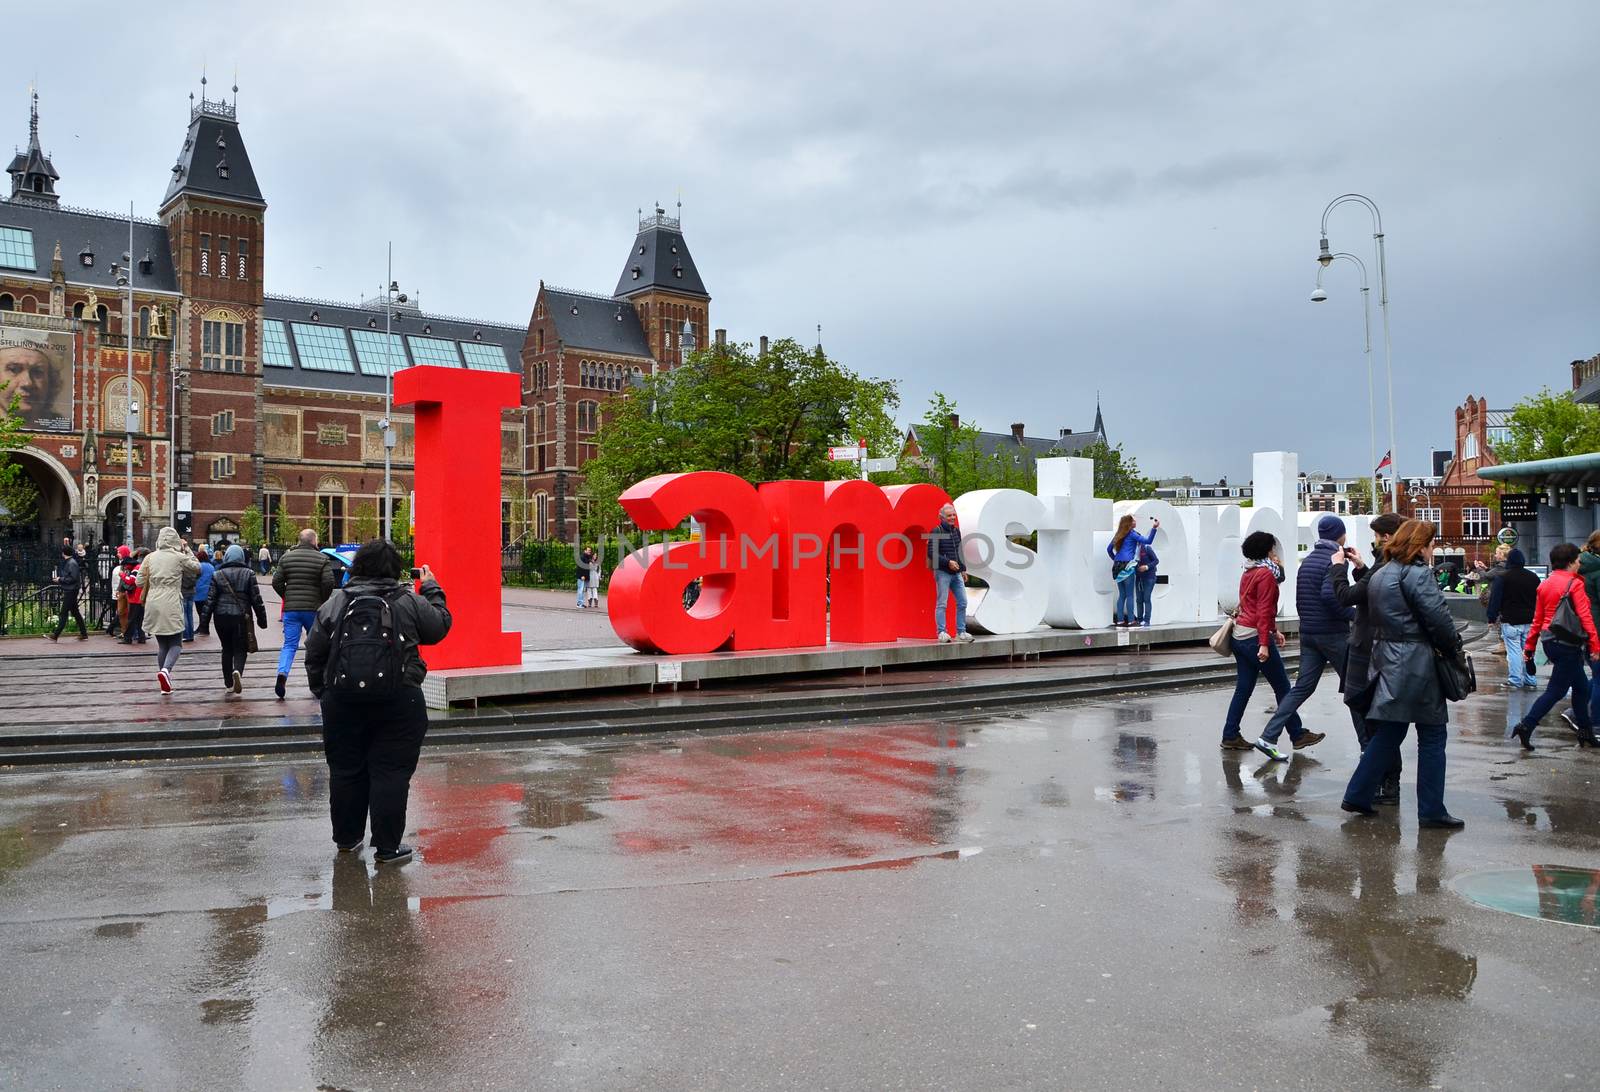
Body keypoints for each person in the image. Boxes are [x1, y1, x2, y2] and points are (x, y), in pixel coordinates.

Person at [305, 540, 452, 864]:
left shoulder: (336, 602)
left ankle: (347, 839)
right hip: (399, 698)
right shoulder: (407, 601)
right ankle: (387, 848)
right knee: (391, 772)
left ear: (357, 567)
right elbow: (440, 626)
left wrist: (324, 692)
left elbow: (314, 652)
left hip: (342, 700)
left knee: (345, 770)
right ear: (395, 568)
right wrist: (431, 587)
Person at [1341, 520, 1466, 828]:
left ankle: (1357, 793)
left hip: (1387, 658)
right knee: (1433, 734)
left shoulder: (1382, 574)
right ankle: (1432, 809)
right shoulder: (1418, 574)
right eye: (1430, 543)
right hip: (1417, 662)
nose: (1432, 549)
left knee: (1390, 732)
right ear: (1420, 545)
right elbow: (1439, 620)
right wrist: (1453, 648)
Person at [1256, 515, 1372, 759]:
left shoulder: (1307, 561)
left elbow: (1304, 597)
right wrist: (1355, 615)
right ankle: (1366, 745)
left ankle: (1268, 737)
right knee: (1355, 690)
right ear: (1340, 535)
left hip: (1309, 633)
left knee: (1301, 688)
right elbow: (1332, 597)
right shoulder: (1332, 561)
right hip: (1332, 634)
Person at [1330, 511, 1406, 804]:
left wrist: (1338, 569)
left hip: (1369, 648)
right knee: (1379, 720)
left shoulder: (1385, 564)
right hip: (1377, 647)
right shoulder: (1386, 565)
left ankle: (1384, 783)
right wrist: (1361, 567)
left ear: (1386, 537)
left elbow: (1347, 597)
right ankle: (1386, 783)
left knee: (1375, 722)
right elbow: (1369, 591)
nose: (1374, 541)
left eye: (1376, 536)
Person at [1510, 542, 1600, 749]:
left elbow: (1538, 618)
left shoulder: (1545, 584)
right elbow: (1586, 618)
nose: (1579, 564)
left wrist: (1530, 648)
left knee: (1581, 688)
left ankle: (1586, 732)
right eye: (1577, 560)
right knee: (1556, 691)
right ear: (1570, 562)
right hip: (1568, 643)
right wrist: (1595, 645)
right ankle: (1526, 725)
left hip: (1550, 641)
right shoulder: (1575, 584)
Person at [1220, 531, 1300, 754]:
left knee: (1244, 687)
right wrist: (1265, 642)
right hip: (1254, 637)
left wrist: (1274, 631)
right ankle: (1297, 734)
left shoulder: (1249, 570)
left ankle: (1230, 735)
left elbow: (1254, 606)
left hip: (1241, 635)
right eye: (1272, 548)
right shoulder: (1265, 574)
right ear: (1267, 550)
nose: (1274, 552)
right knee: (1283, 687)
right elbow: (1264, 610)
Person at [272, 528, 336, 700]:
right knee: (316, 646)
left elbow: (276, 581)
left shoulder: (286, 557)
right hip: (313, 610)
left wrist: (287, 596)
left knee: (289, 645)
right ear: (314, 541)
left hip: (291, 610)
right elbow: (329, 582)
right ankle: (317, 682)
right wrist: (322, 599)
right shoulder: (322, 558)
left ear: (299, 540)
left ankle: (282, 674)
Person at [136, 527, 201, 694]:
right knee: (176, 643)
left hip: (153, 602)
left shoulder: (149, 557)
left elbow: (139, 582)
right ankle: (166, 671)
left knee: (162, 645)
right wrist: (186, 549)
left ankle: (164, 683)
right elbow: (196, 567)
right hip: (171, 600)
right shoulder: (178, 557)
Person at [208, 543, 267, 695]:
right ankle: (237, 671)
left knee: (226, 649)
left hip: (220, 617)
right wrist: (262, 619)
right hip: (241, 617)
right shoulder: (249, 573)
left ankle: (228, 683)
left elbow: (210, 600)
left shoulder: (217, 574)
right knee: (240, 648)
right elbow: (256, 599)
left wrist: (203, 623)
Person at [1486, 548, 1539, 690]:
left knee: (1514, 651)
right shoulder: (1533, 577)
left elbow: (1495, 600)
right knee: (1528, 650)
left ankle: (1515, 680)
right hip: (1530, 619)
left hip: (1510, 619)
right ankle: (1530, 679)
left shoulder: (1502, 577)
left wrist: (1491, 617)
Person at [928, 502, 975, 644]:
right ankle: (941, 632)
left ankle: (961, 632)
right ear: (941, 517)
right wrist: (947, 562)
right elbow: (931, 553)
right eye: (949, 515)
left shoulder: (956, 531)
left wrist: (963, 569)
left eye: (954, 515)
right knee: (942, 603)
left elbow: (959, 551)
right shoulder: (936, 531)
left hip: (956, 573)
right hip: (942, 572)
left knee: (963, 602)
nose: (952, 518)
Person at [1106, 514, 1159, 627]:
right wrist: (1154, 528)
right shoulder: (1132, 534)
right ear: (1129, 524)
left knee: (1122, 595)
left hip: (1117, 567)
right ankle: (1131, 620)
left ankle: (1120, 620)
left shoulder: (1119, 534)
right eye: (1133, 521)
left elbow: (1109, 549)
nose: (1135, 522)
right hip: (1128, 566)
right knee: (1130, 595)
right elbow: (1148, 541)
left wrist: (1115, 559)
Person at [1578, 532, 1600, 727]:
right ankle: (1595, 722)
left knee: (1596, 674)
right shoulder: (1598, 570)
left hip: (1584, 627)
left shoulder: (1581, 566)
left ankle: (1579, 710)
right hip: (1597, 629)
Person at [47, 544, 88, 641]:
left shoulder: (71, 563)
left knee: (63, 613)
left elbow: (72, 578)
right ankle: (84, 633)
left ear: (63, 553)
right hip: (71, 589)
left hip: (71, 590)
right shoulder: (70, 562)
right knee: (75, 612)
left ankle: (55, 635)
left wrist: (60, 579)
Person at [119, 548, 146, 644]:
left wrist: (122, 575)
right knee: (139, 619)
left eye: (125, 566)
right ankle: (141, 637)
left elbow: (131, 581)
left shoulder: (135, 569)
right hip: (139, 597)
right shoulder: (138, 567)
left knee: (131, 619)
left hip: (135, 598)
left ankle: (127, 638)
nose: (125, 568)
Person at [1134, 541, 1158, 628]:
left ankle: (1147, 620)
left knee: (1146, 598)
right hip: (1139, 578)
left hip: (1149, 577)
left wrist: (1146, 567)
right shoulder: (1132, 551)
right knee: (1139, 599)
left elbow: (1156, 560)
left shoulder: (1147, 548)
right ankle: (1139, 620)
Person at [180, 540, 200, 643]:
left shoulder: (181, 562)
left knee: (184, 613)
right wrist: (187, 548)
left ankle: (186, 635)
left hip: (182, 590)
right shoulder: (192, 563)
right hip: (192, 590)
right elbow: (197, 566)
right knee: (190, 613)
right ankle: (191, 634)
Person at [193, 546, 215, 637]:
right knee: (207, 611)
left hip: (199, 591)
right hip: (209, 591)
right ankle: (204, 628)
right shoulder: (211, 566)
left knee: (200, 611)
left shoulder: (199, 566)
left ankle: (202, 628)